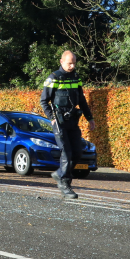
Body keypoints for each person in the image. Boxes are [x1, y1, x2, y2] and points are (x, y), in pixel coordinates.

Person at [40, 50, 96, 199]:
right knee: (66, 151)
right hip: (59, 121)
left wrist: (90, 118)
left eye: (74, 63)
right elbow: (43, 101)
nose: (72, 66)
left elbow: (82, 100)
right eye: (69, 63)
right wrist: (52, 118)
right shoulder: (53, 78)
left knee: (77, 152)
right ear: (61, 62)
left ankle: (59, 173)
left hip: (72, 120)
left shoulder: (76, 78)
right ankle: (65, 183)